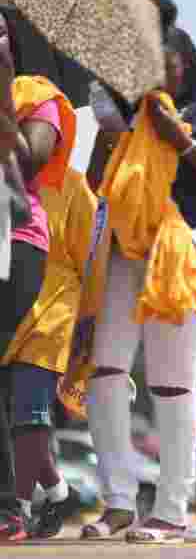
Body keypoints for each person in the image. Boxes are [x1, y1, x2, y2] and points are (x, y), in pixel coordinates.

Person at [83, 0, 196, 544]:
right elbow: (95, 183)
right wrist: (112, 133)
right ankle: (117, 500)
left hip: (183, 255)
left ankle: (171, 509)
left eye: (161, 62)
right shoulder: (126, 109)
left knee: (170, 379)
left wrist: (182, 140)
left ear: (182, 58)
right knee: (105, 374)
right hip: (124, 250)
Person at [0, 6, 76, 542]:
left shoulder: (36, 94)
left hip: (15, 243)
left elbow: (28, 161)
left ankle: (10, 506)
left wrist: (2, 89)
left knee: (28, 408)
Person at [0, 166, 95, 539]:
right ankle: (58, 492)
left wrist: (89, 331)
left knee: (29, 410)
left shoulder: (74, 186)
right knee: (13, 418)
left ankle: (17, 508)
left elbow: (91, 261)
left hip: (52, 313)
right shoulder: (8, 176)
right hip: (11, 307)